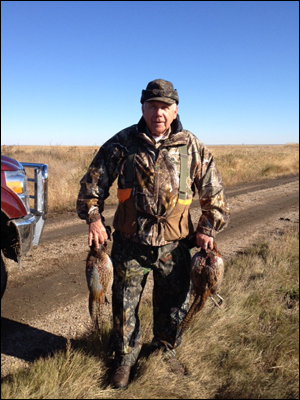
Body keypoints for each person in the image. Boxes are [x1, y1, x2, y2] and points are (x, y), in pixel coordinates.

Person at [77, 79, 230, 389]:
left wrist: (207, 228)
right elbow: (91, 188)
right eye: (153, 105)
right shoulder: (122, 143)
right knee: (123, 305)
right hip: (129, 244)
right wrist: (94, 218)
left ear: (175, 110)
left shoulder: (192, 146)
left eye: (165, 106)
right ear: (143, 108)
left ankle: (165, 350)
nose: (159, 112)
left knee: (174, 304)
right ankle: (125, 359)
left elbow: (215, 197)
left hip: (175, 246)